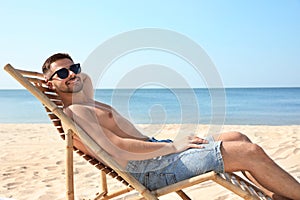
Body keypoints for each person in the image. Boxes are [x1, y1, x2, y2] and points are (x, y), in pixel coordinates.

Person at [42, 53, 300, 200]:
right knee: (248, 152)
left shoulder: (85, 101)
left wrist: (66, 77)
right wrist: (174, 146)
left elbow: (84, 80)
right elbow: (118, 149)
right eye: (62, 74)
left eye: (74, 68)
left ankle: (274, 194)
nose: (73, 75)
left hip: (157, 152)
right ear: (49, 83)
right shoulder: (75, 111)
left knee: (238, 136)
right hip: (150, 169)